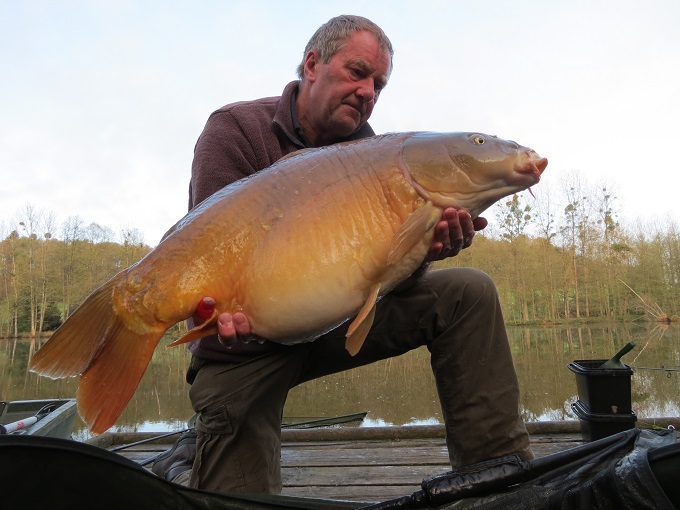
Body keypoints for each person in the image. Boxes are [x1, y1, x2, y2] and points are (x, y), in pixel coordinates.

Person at [186, 14, 533, 494]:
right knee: (235, 497)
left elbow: (386, 276)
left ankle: (501, 479)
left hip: (336, 320)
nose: (368, 92)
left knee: (468, 293)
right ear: (312, 65)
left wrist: (428, 249)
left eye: (379, 84)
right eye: (357, 72)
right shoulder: (236, 129)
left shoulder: (372, 150)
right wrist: (216, 309)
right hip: (245, 344)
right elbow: (203, 249)